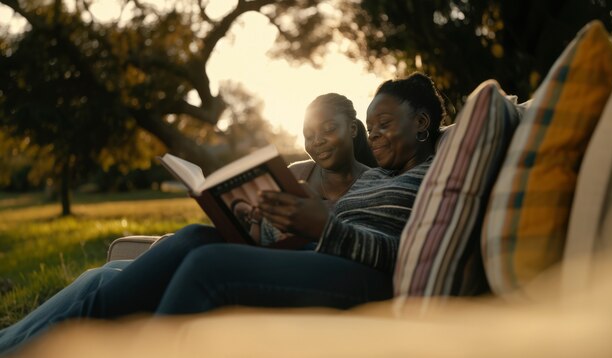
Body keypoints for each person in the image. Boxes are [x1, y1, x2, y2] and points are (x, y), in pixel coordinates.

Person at [0, 93, 377, 354]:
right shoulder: (296, 172)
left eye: (328, 129)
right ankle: (9, 341)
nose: (317, 141)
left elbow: (342, 244)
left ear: (354, 127)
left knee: (113, 278)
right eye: (309, 134)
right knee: (101, 274)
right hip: (246, 250)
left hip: (272, 271)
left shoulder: (375, 186)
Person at [77, 71, 445, 317]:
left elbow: (413, 254)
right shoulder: (376, 177)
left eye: (384, 124)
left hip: (367, 277)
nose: (375, 134)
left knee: (209, 267)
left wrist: (326, 226)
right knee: (195, 239)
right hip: (326, 255)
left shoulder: (436, 176)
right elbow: (326, 229)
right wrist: (268, 223)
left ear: (422, 122)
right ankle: (80, 326)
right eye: (371, 127)